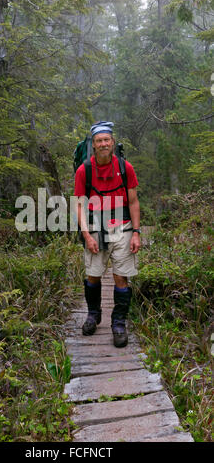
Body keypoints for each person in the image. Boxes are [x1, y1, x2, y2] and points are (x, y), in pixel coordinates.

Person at [74, 121, 141, 347]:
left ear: (112, 142)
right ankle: (93, 314)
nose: (103, 144)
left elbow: (133, 201)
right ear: (93, 145)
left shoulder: (125, 167)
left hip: (122, 227)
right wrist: (87, 235)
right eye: (99, 141)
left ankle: (119, 323)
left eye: (106, 140)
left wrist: (136, 232)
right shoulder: (85, 170)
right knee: (93, 275)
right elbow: (80, 205)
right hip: (95, 227)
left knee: (121, 276)